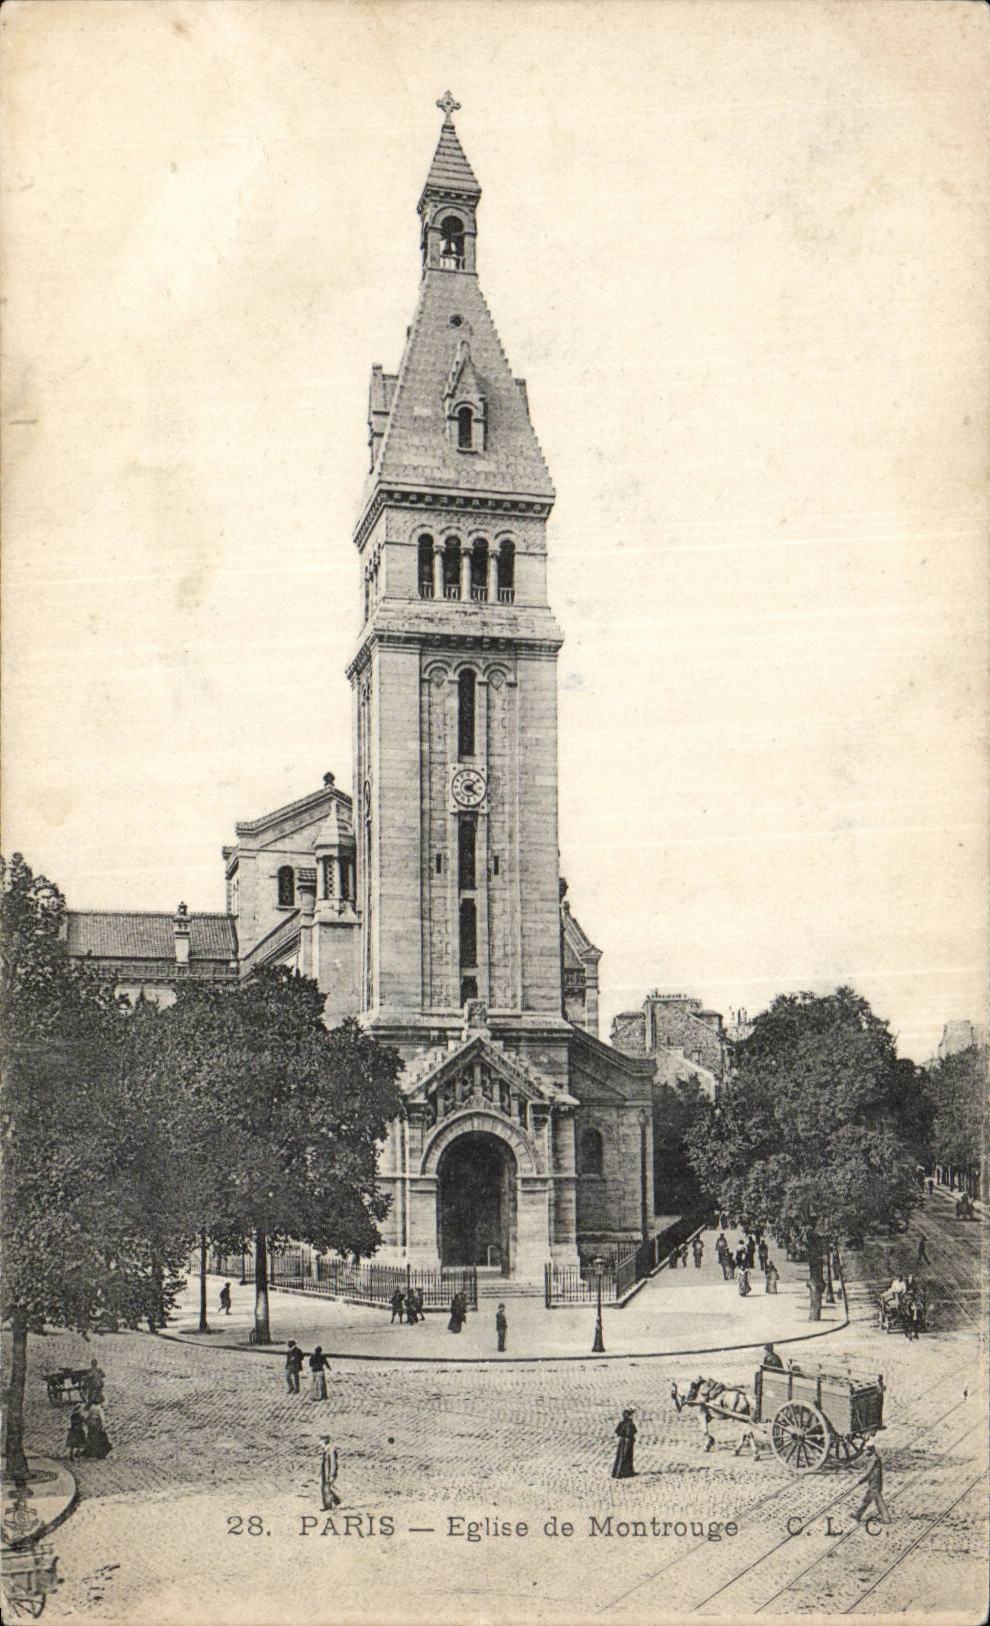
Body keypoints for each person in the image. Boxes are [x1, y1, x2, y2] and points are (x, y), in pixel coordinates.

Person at [852, 1446, 889, 1524]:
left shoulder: (874, 1459)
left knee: (879, 1502)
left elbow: (868, 1472)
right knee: (867, 1500)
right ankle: (857, 1514)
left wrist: (860, 1481)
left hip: (875, 1483)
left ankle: (886, 1519)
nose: (865, 1452)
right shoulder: (873, 1458)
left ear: (871, 1450)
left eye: (866, 1450)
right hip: (874, 1483)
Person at [610, 1409, 637, 1478]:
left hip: (622, 1441)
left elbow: (618, 1432)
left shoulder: (622, 1423)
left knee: (621, 1456)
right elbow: (633, 1431)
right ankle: (622, 1472)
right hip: (628, 1441)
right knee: (626, 1456)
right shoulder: (630, 1424)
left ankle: (618, 1472)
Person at [320, 1438, 341, 1510]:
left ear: (324, 1442)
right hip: (325, 1474)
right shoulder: (326, 1450)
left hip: (328, 1474)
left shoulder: (331, 1450)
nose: (319, 1444)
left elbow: (333, 1463)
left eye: (321, 1442)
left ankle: (329, 1507)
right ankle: (336, 1502)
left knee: (326, 1489)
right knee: (327, 1489)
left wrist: (332, 1475)